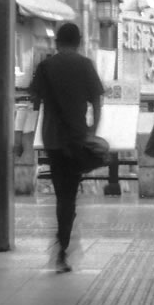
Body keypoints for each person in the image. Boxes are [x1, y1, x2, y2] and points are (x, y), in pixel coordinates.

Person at [31, 22, 105, 273]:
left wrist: (22, 138)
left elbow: (33, 101)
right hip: (76, 138)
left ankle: (62, 242)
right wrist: (92, 131)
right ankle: (62, 244)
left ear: (57, 42)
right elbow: (96, 101)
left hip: (52, 138)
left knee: (62, 192)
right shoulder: (85, 65)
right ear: (79, 41)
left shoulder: (45, 66)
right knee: (68, 194)